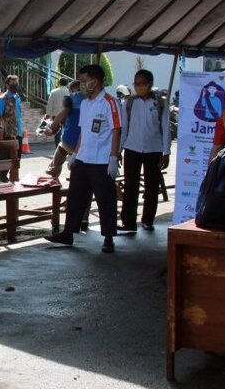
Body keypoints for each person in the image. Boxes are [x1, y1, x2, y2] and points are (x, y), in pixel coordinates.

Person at [45, 64, 122, 253]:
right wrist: (74, 154)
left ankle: (109, 238)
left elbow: (116, 130)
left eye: (84, 81)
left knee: (105, 200)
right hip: (83, 158)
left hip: (102, 160)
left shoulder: (109, 102)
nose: (82, 85)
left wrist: (113, 157)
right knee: (75, 197)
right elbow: (83, 132)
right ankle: (68, 233)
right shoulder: (86, 103)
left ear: (95, 81)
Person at [119, 70, 171, 232]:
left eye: (142, 83)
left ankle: (148, 220)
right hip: (132, 148)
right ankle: (128, 221)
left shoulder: (161, 104)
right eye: (136, 84)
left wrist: (166, 152)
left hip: (154, 149)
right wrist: (118, 151)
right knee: (130, 186)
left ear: (150, 84)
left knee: (152, 186)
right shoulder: (128, 103)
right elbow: (124, 128)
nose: (139, 87)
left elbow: (165, 128)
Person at [0, 74, 23, 182]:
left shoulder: (17, 97)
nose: (15, 86)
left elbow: (18, 114)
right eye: (12, 84)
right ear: (7, 85)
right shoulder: (2, 99)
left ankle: (14, 177)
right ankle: (2, 176)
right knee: (5, 157)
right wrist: (6, 128)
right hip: (7, 133)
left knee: (17, 157)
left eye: (16, 84)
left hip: (18, 131)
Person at [44, 78, 70, 146]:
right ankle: (66, 146)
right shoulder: (69, 92)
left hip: (56, 116)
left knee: (57, 131)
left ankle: (58, 146)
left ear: (59, 83)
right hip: (67, 115)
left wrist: (48, 114)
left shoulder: (54, 92)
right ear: (67, 84)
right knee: (67, 130)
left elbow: (50, 104)